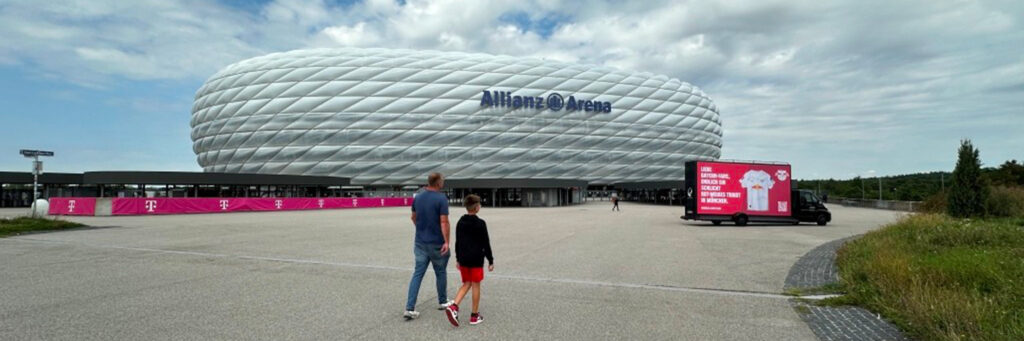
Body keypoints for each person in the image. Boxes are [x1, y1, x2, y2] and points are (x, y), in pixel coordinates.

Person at [404, 173, 454, 320]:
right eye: (442, 181)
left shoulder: (418, 197)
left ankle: (409, 307)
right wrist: (446, 242)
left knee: (418, 274)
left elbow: (413, 217)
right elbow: (444, 222)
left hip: (420, 242)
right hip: (436, 243)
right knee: (440, 272)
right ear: (438, 183)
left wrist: (420, 229)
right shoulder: (441, 199)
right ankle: (442, 300)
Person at [445, 194, 494, 327]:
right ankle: (474, 315)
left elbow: (458, 242)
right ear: (477, 207)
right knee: (476, 285)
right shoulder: (480, 223)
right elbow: (486, 243)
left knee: (467, 283)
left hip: (464, 259)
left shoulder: (460, 222)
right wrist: (490, 260)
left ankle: (454, 306)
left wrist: (458, 259)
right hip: (476, 259)